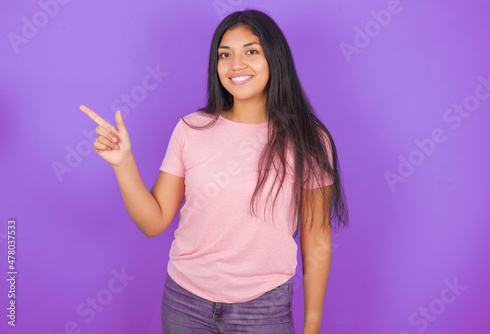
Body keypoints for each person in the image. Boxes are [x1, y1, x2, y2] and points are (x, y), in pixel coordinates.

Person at [81, 8, 348, 334]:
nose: (236, 65)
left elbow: (317, 237)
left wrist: (313, 322)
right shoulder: (191, 129)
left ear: (274, 59)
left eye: (251, 51)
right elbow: (154, 222)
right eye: (225, 54)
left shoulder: (308, 139)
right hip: (185, 303)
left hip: (264, 309)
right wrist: (123, 163)